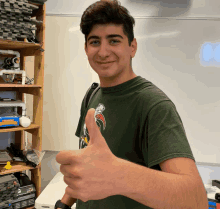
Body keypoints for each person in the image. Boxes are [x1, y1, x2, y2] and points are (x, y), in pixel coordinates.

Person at [55, 0, 207, 209]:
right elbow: (88, 165)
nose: (103, 51)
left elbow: (195, 200)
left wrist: (118, 175)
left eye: (114, 41)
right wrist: (63, 203)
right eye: (95, 42)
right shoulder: (92, 96)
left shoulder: (154, 105)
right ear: (86, 48)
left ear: (132, 47)